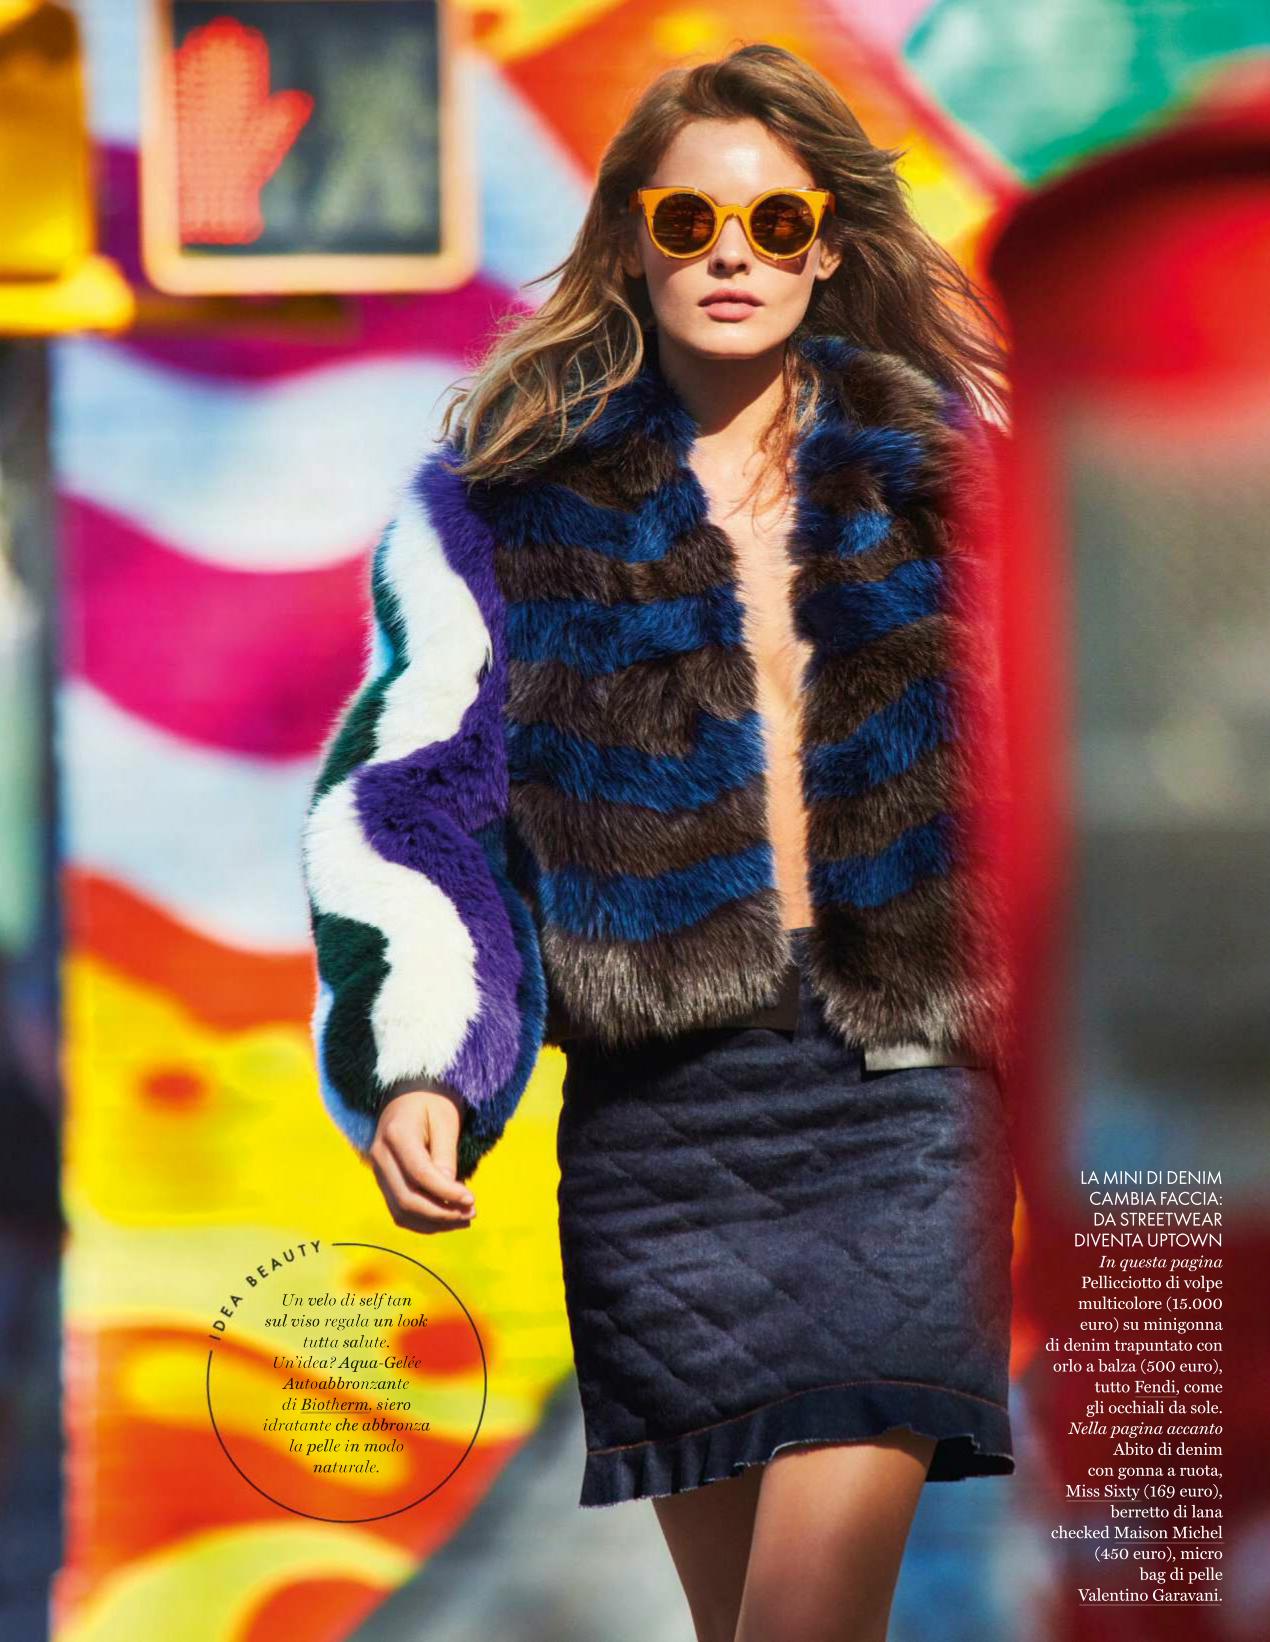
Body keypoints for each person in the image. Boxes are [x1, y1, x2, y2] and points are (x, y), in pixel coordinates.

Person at [302, 42, 1017, 1642]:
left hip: (905, 1104)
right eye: (689, 221)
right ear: (632, 238)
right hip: (656, 1131)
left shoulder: (951, 481)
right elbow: (415, 800)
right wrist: (423, 1062)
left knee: (808, 1616)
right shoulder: (500, 508)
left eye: (775, 224)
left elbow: (1073, 760)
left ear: (825, 246)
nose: (730, 257)